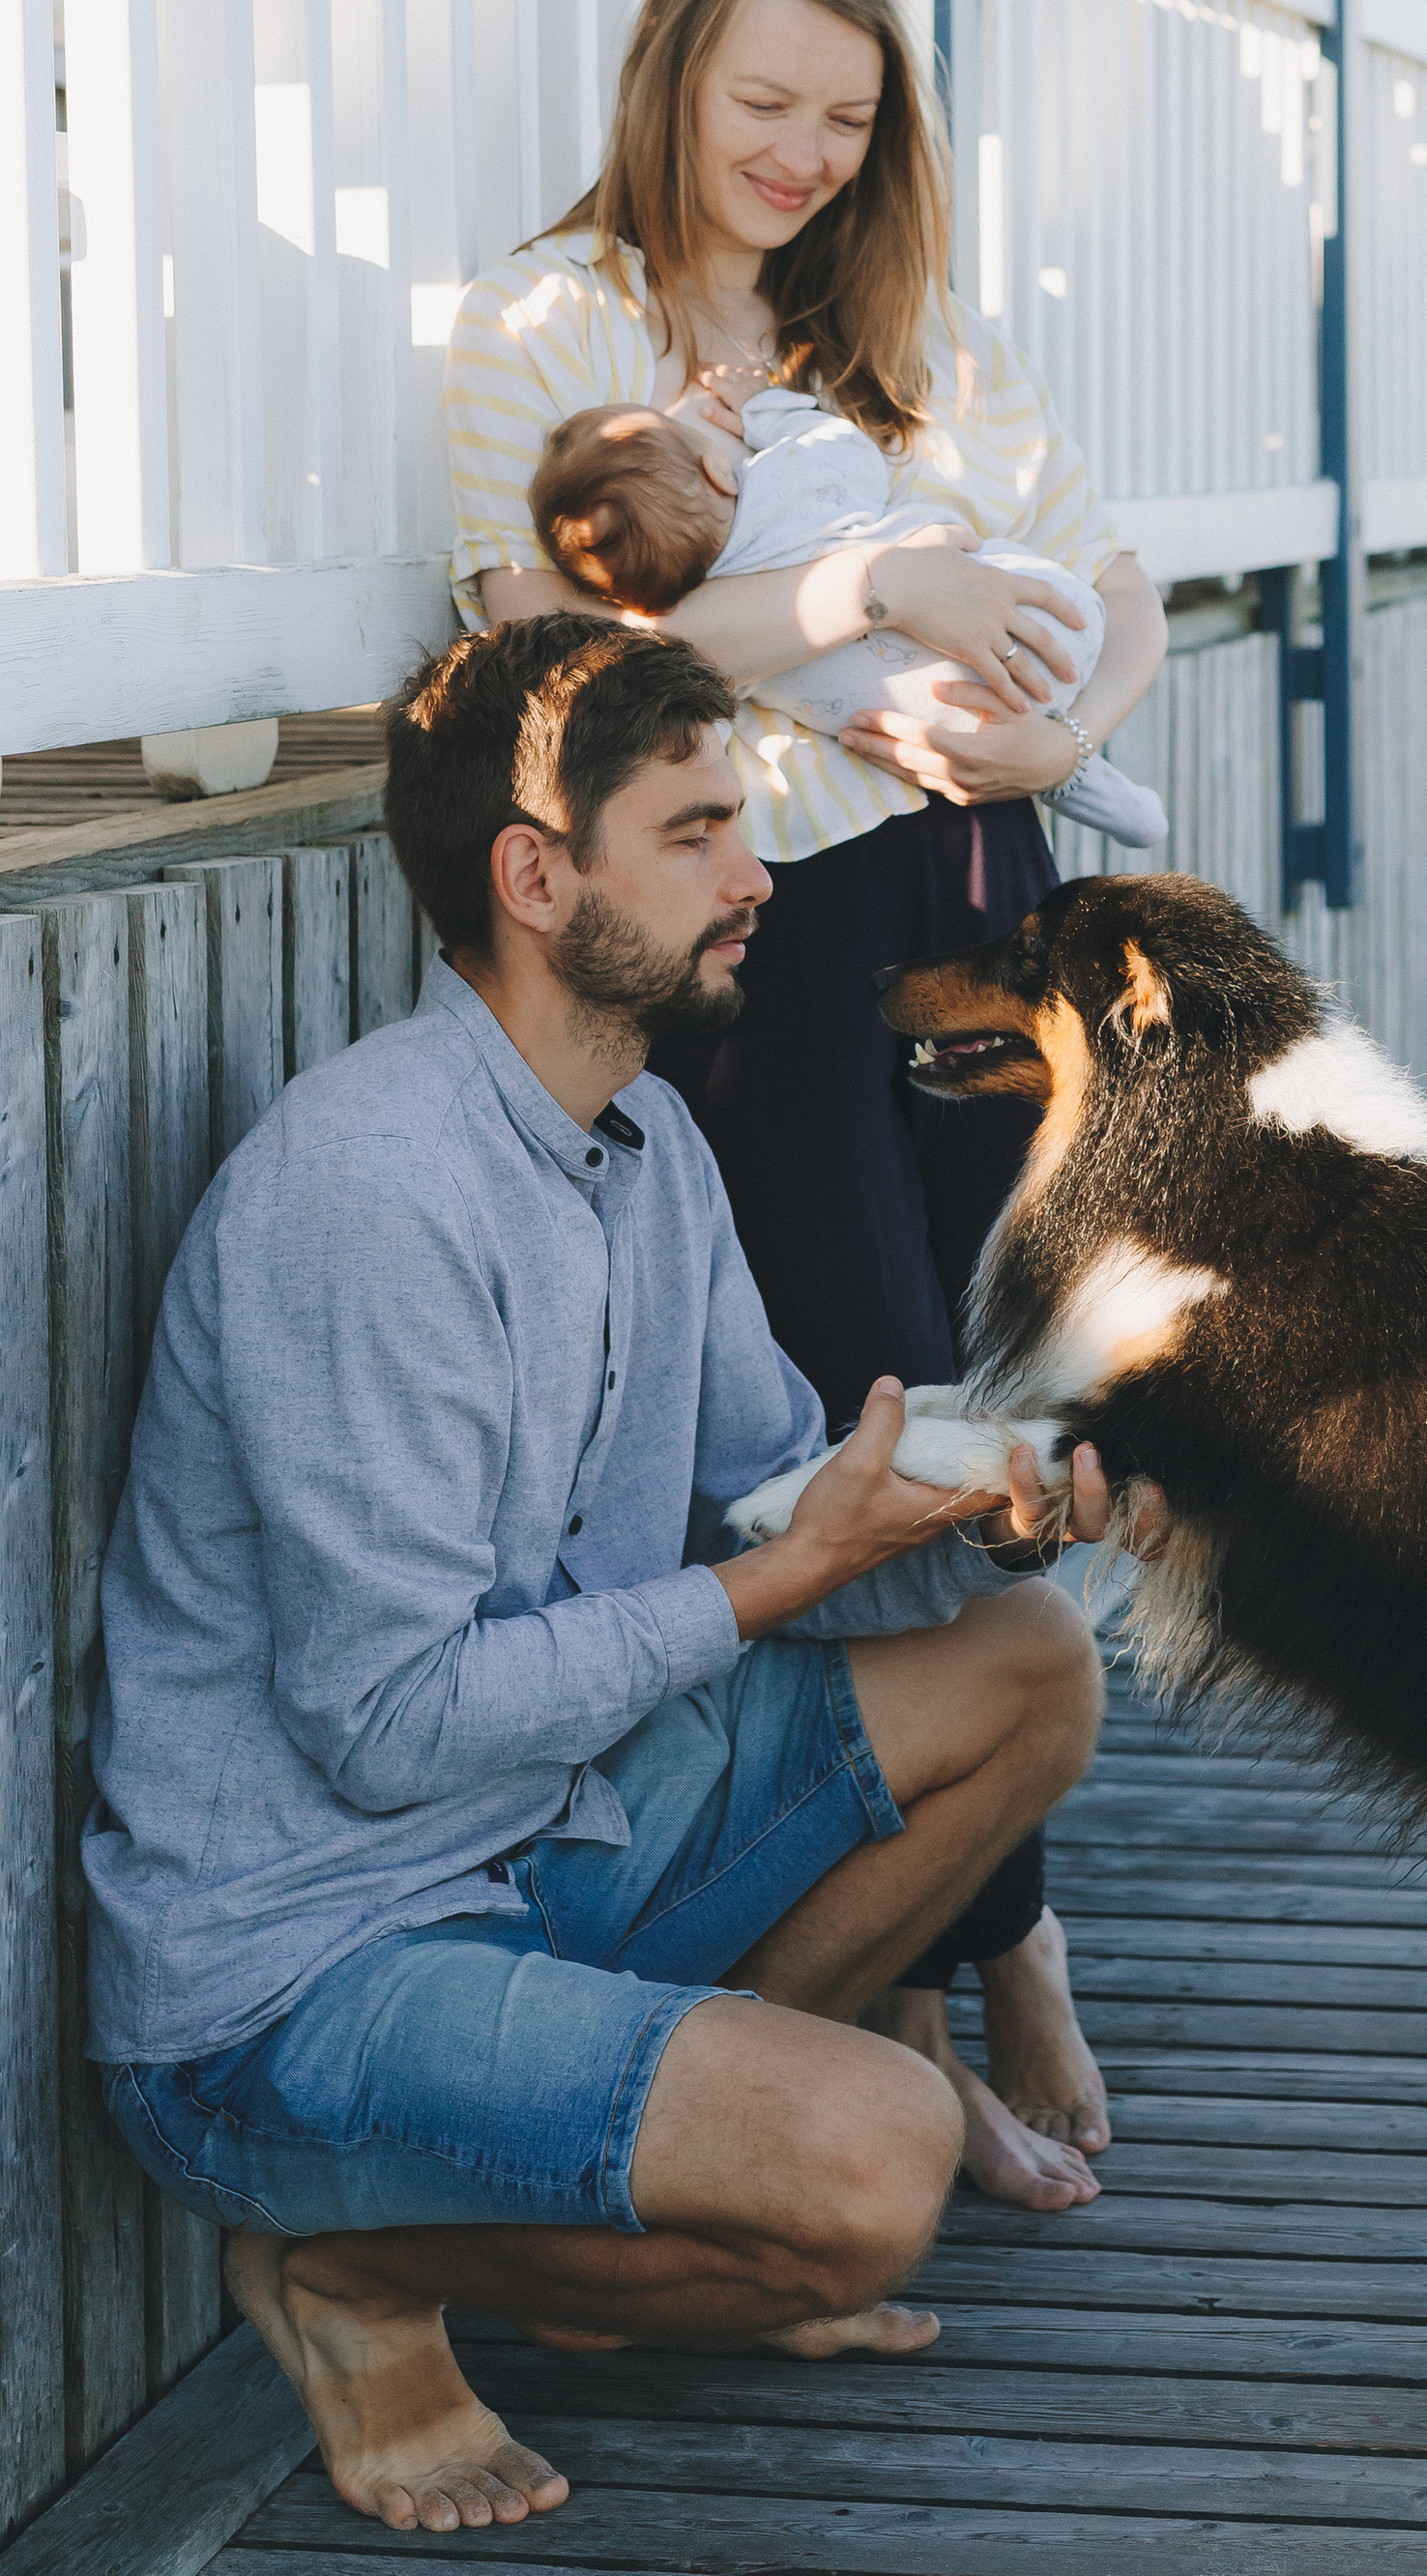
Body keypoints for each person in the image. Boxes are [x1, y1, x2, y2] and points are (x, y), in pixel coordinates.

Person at [85, 616, 1117, 2537]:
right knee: (880, 2173)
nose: (758, 880)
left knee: (1028, 1658)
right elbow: (389, 1726)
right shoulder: (370, 1196)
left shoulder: (644, 1138)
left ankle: (646, 2184)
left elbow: (763, 1508)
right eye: (702, 834)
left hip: (535, 1834)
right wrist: (764, 1588)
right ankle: (361, 2275)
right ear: (534, 875)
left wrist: (960, 1518)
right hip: (300, 1974)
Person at [445, 0, 1166, 2207]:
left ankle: (977, 1936)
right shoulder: (548, 325)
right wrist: (870, 592)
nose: (797, 152)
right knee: (873, 1421)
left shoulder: (904, 330)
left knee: (1019, 1415)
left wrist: (1069, 703)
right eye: (760, 100)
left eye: (842, 119)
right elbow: (557, 633)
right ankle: (970, 1966)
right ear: (672, 73)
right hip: (771, 919)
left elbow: (1109, 562)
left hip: (993, 901)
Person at [526, 389, 1168, 848]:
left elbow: (691, 689)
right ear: (716, 468)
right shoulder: (791, 480)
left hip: (949, 727)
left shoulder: (721, 627)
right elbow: (846, 448)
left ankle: (1105, 794)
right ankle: (1095, 779)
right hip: (1047, 625)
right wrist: (767, 410)